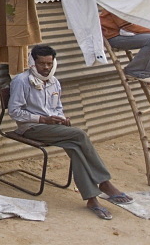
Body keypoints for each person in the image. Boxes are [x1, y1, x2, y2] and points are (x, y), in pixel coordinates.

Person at [8, 44, 133, 220]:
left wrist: (61, 119)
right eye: (41, 64)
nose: (45, 67)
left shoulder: (54, 82)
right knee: (79, 135)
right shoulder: (22, 81)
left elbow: (57, 107)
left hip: (52, 128)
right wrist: (44, 119)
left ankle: (92, 199)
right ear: (32, 63)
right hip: (30, 128)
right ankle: (104, 183)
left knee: (74, 146)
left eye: (49, 63)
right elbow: (14, 112)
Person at [99, 8, 150, 83]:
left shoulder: (136, 3)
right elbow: (128, 26)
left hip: (126, 34)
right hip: (114, 37)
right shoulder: (118, 3)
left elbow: (148, 21)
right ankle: (134, 71)